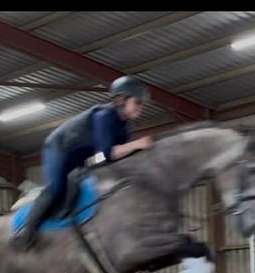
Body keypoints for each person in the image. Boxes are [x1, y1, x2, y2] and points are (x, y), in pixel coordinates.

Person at [10, 75, 154, 250]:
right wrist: (137, 144)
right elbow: (106, 154)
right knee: (56, 189)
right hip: (59, 149)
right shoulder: (104, 115)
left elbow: (119, 158)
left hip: (81, 158)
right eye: (137, 102)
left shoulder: (123, 127)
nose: (140, 107)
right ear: (121, 100)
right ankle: (26, 233)